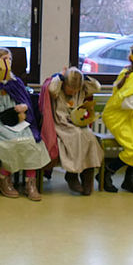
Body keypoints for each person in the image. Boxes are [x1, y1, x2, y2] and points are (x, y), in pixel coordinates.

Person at [0, 49, 49, 201]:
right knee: (11, 143)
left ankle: (30, 182)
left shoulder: (15, 81)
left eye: (9, 59)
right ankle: (3, 179)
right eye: (4, 59)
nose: (7, 62)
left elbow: (25, 101)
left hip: (16, 121)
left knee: (30, 141)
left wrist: (24, 107)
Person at [40, 67, 103, 195]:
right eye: (71, 89)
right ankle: (72, 174)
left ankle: (87, 177)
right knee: (77, 136)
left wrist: (83, 77)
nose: (74, 92)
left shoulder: (81, 90)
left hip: (78, 123)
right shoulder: (58, 88)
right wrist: (60, 76)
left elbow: (97, 87)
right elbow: (51, 89)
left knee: (90, 138)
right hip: (62, 124)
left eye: (76, 89)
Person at [100, 44, 133, 195]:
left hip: (127, 116)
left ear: (130, 58)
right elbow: (130, 101)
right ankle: (106, 173)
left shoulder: (129, 73)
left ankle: (129, 180)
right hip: (116, 117)